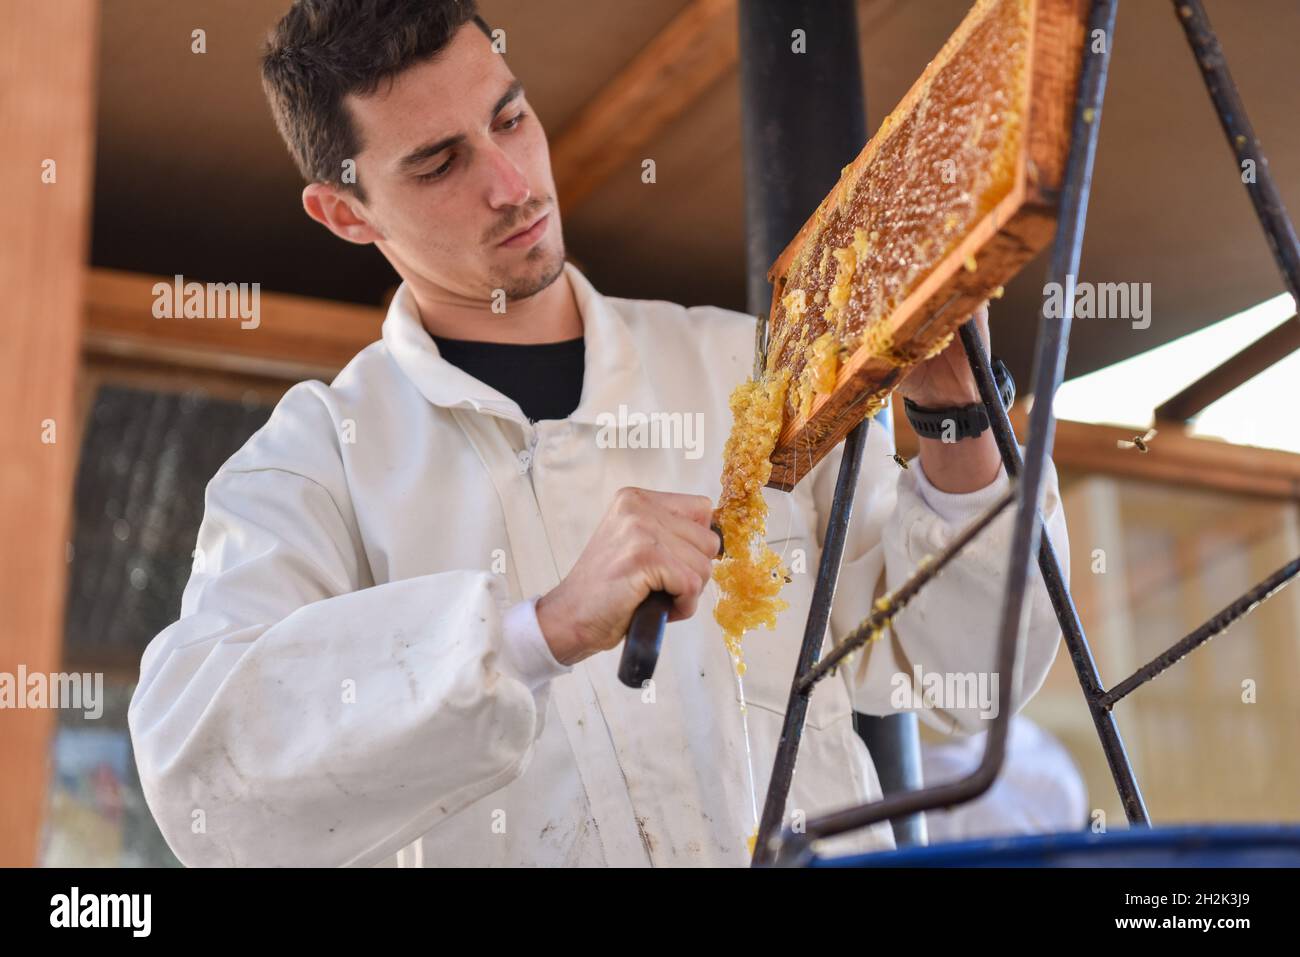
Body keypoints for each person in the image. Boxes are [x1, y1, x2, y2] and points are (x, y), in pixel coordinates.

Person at [128, 0, 1071, 867]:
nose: (510, 183)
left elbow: (954, 682)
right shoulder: (316, 460)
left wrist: (957, 420)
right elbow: (203, 778)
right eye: (439, 163)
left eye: (509, 118)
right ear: (344, 210)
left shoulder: (746, 370)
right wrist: (537, 630)